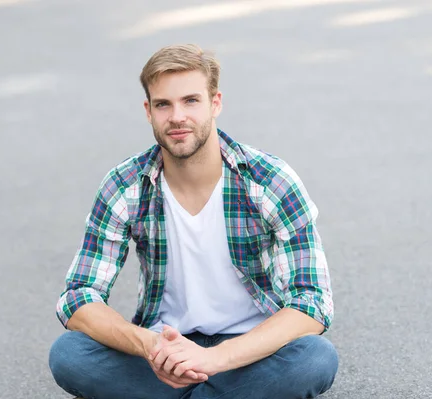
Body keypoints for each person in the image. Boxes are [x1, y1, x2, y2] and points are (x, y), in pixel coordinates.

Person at [49, 44, 338, 399]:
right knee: (69, 354)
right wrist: (149, 345)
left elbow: (311, 303)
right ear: (148, 111)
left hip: (246, 353)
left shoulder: (271, 180)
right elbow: (78, 296)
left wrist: (214, 359)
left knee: (314, 359)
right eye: (163, 104)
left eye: (190, 101)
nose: (177, 117)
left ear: (215, 103)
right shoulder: (124, 186)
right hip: (164, 350)